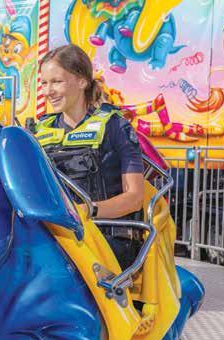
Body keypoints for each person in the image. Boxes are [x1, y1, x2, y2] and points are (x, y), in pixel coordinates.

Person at [34, 44, 145, 269]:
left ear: (82, 82)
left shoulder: (115, 126)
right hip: (56, 236)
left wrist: (86, 211)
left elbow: (134, 197)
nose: (47, 91)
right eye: (44, 83)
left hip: (106, 239)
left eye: (56, 82)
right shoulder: (39, 131)